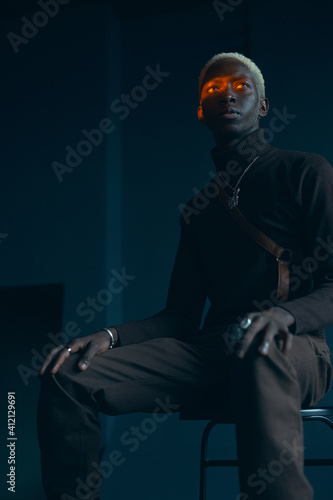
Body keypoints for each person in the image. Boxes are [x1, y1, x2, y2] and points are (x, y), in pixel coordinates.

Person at [38, 52, 333, 500]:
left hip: (295, 349)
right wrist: (111, 336)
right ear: (200, 111)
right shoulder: (199, 212)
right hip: (213, 351)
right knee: (67, 374)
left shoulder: (305, 171)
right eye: (213, 90)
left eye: (241, 86)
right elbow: (180, 316)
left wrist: (284, 318)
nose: (227, 94)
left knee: (260, 347)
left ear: (263, 105)